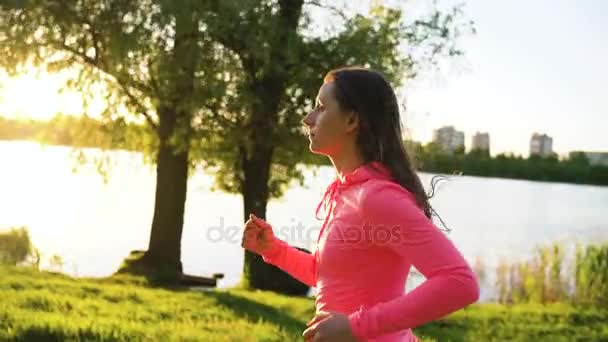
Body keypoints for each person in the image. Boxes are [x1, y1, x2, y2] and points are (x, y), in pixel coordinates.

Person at [241, 67, 479, 342]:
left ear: (351, 120)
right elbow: (330, 278)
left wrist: (356, 327)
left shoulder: (377, 198)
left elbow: (460, 283)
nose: (308, 119)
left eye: (320, 108)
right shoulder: (348, 193)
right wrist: (275, 250)